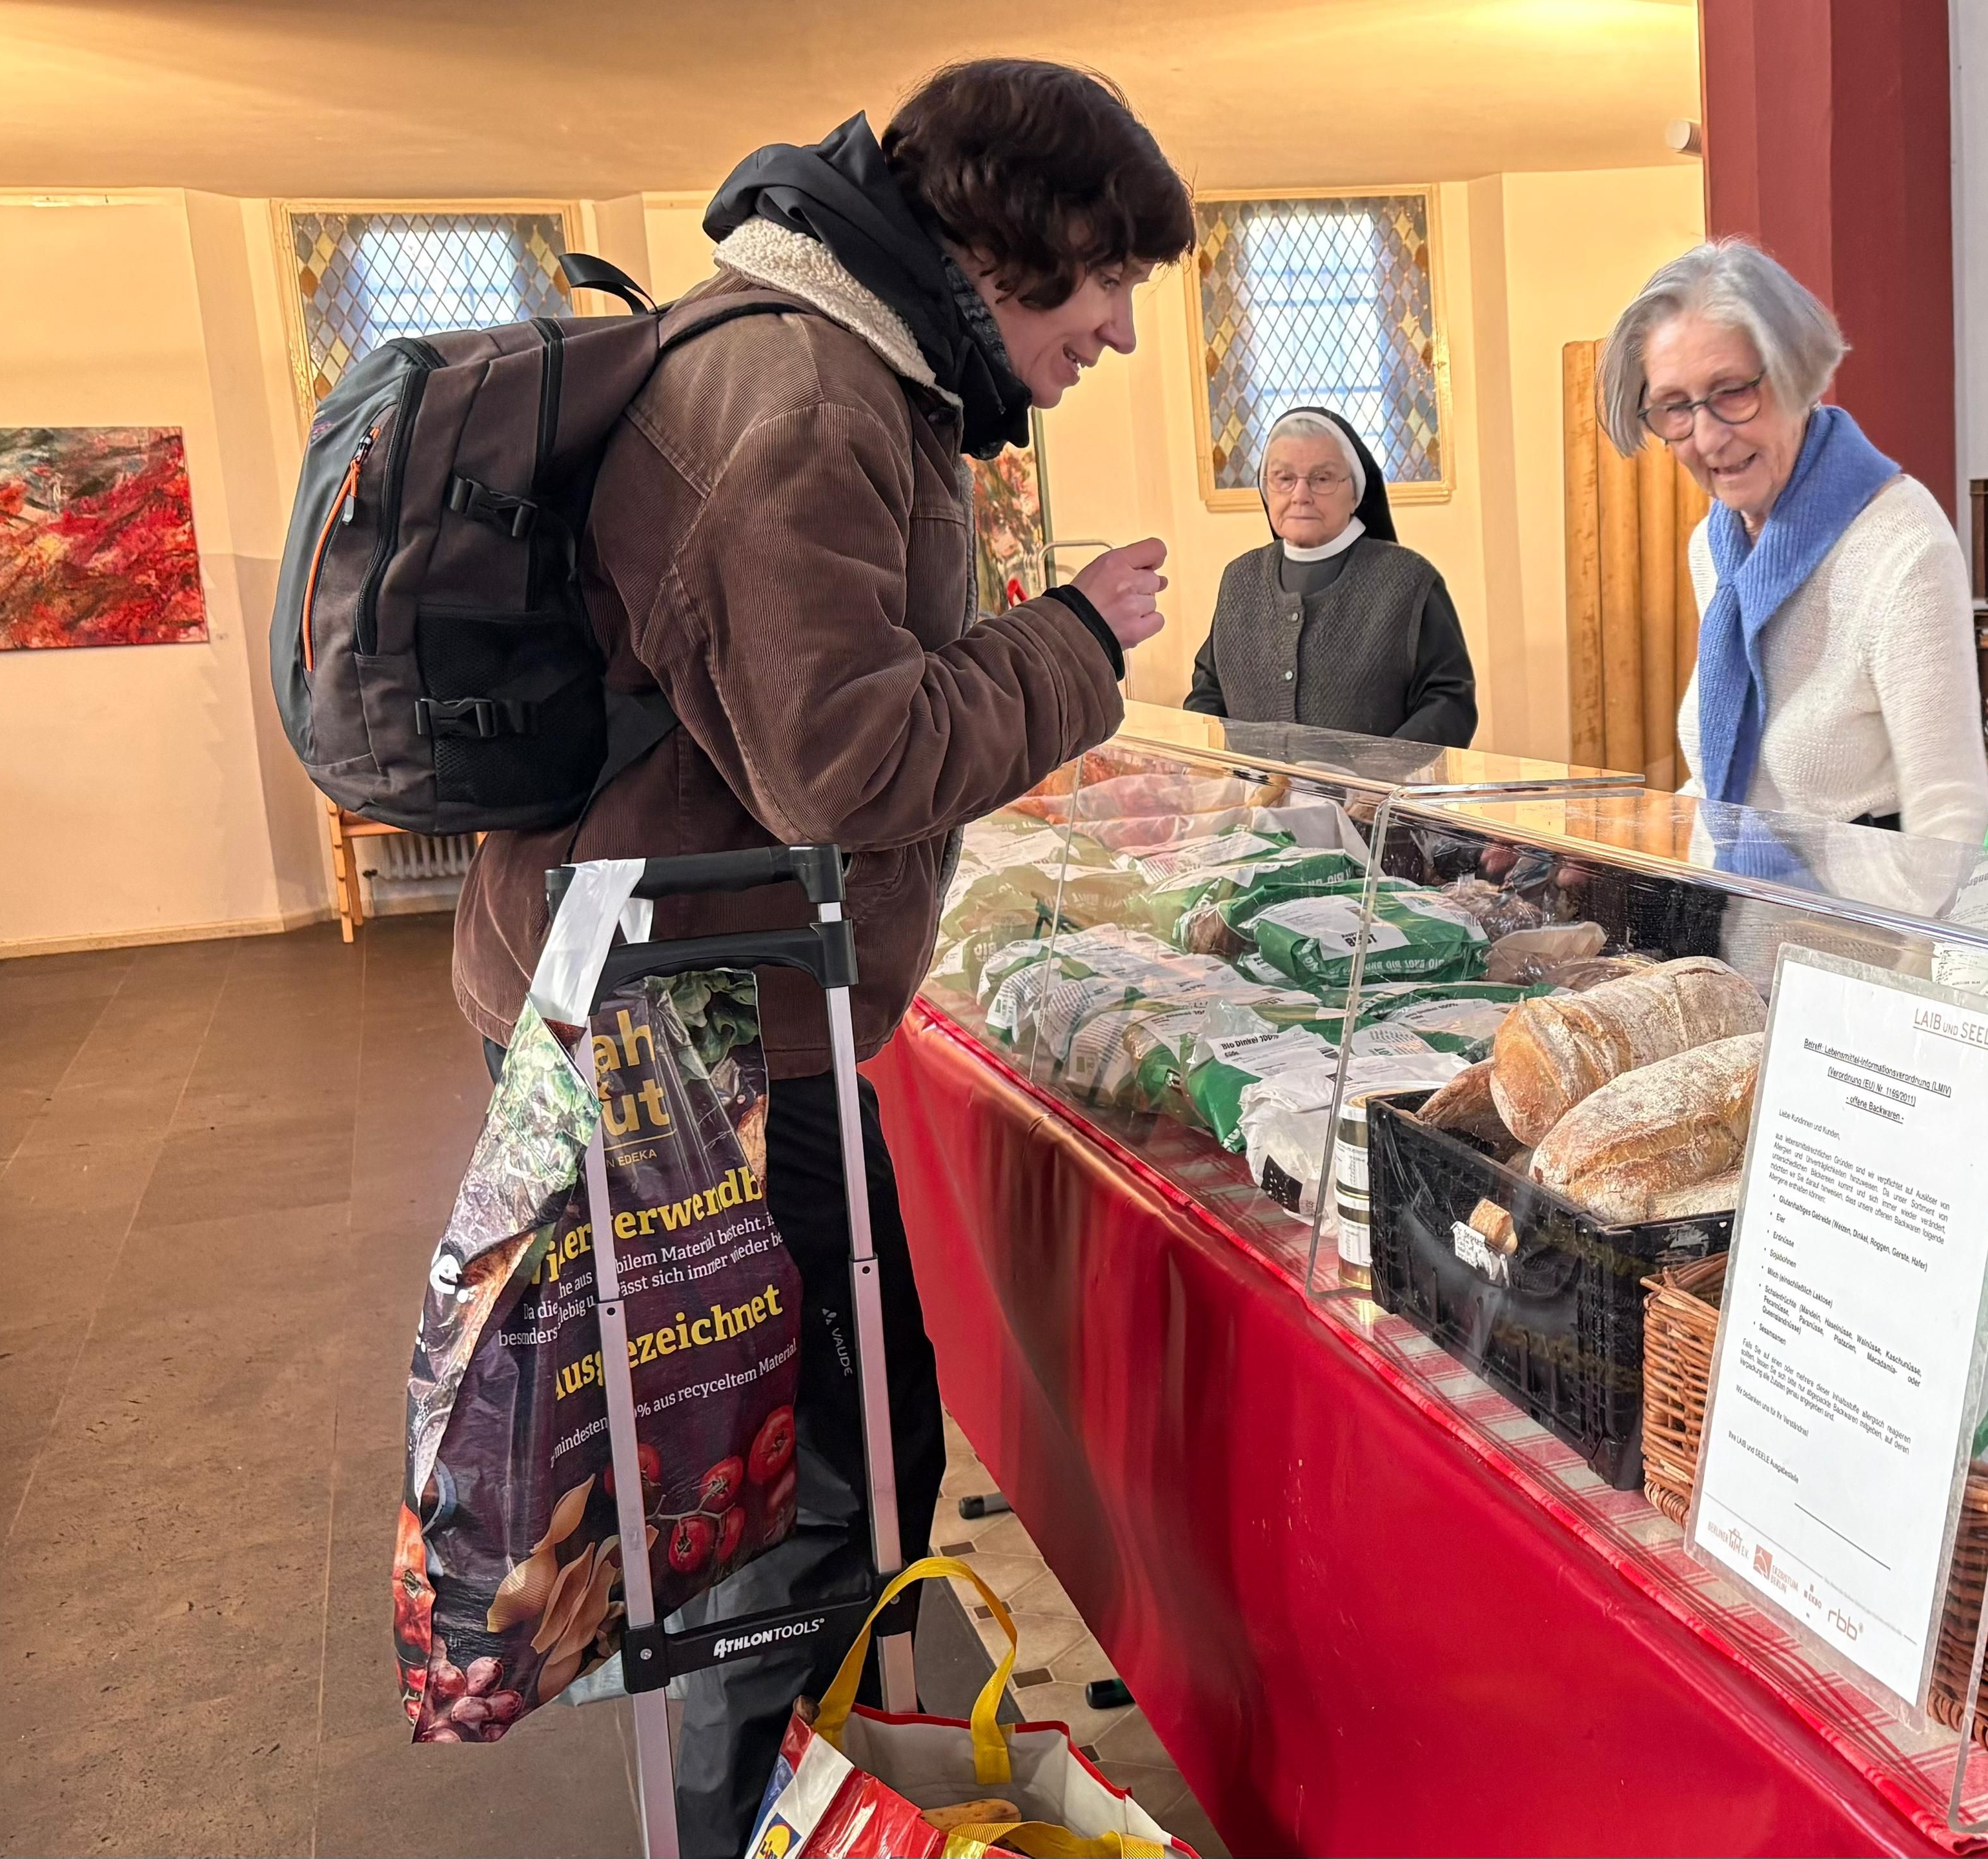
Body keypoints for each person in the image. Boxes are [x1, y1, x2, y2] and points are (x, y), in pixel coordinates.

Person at [445, 61, 1192, 1854]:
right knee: (775, 1526)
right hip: (689, 1043)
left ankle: (808, 1812)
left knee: (821, 1495)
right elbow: (841, 763)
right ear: (1016, 238)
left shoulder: (829, 363)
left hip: (695, 1012)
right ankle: (764, 1826)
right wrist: (1073, 639)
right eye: (1110, 285)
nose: (1117, 332)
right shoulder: (801, 396)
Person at [1597, 239, 1988, 845]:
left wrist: (1907, 940)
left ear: (1798, 374)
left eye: (1731, 392)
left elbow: (1951, 815)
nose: (1707, 439)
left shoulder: (1900, 542)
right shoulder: (1716, 542)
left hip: (1856, 931)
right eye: (1674, 408)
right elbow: (1729, 785)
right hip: (1732, 922)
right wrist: (1620, 845)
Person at [1186, 406, 1477, 744]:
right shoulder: (1239, 579)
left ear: (1355, 492)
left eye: (1321, 479)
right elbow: (1209, 688)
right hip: (1251, 795)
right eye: (1284, 478)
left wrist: (1379, 777)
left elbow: (1448, 700)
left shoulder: (1409, 581)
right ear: (1267, 489)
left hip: (1368, 795)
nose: (1300, 496)